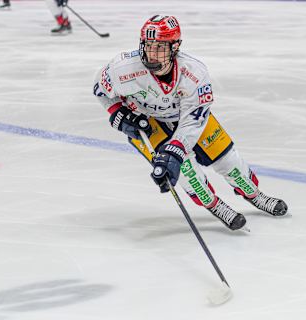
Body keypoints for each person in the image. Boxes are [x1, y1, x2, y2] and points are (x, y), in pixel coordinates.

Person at [93, 15, 288, 231]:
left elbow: (193, 122)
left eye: (160, 47)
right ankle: (214, 205)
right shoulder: (123, 68)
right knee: (188, 174)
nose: (152, 54)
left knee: (229, 163)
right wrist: (117, 113)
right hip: (149, 124)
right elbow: (100, 89)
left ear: (175, 47)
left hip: (187, 120)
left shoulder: (194, 73)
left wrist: (175, 150)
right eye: (148, 46)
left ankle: (254, 194)